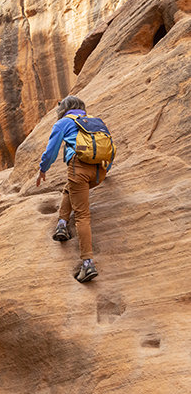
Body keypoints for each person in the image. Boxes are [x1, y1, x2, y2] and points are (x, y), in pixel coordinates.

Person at [36, 95, 112, 283]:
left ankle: (87, 263)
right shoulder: (95, 121)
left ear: (63, 109)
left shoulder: (63, 123)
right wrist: (104, 171)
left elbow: (51, 151)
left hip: (79, 168)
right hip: (99, 171)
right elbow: (109, 147)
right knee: (69, 188)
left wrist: (42, 169)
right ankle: (62, 224)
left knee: (82, 215)